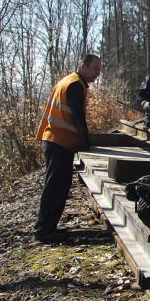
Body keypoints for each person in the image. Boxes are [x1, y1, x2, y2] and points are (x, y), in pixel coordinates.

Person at [34, 54, 102, 244]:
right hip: (59, 141)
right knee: (55, 186)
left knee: (58, 185)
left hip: (57, 139)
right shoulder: (74, 85)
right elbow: (77, 116)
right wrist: (85, 142)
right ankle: (44, 230)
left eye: (99, 69)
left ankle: (48, 227)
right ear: (83, 66)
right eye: (95, 68)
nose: (98, 73)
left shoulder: (70, 81)